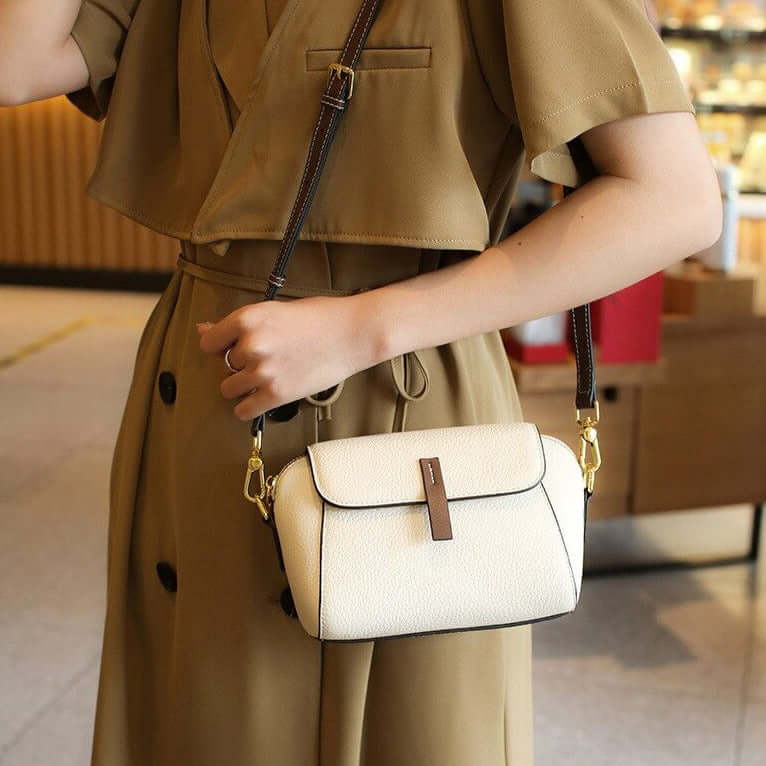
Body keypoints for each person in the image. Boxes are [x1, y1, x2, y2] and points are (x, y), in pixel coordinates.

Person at [0, 1, 721, 764]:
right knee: (205, 714)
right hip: (208, 400)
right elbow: (17, 63)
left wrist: (360, 329)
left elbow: (674, 199)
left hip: (399, 404)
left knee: (407, 730)